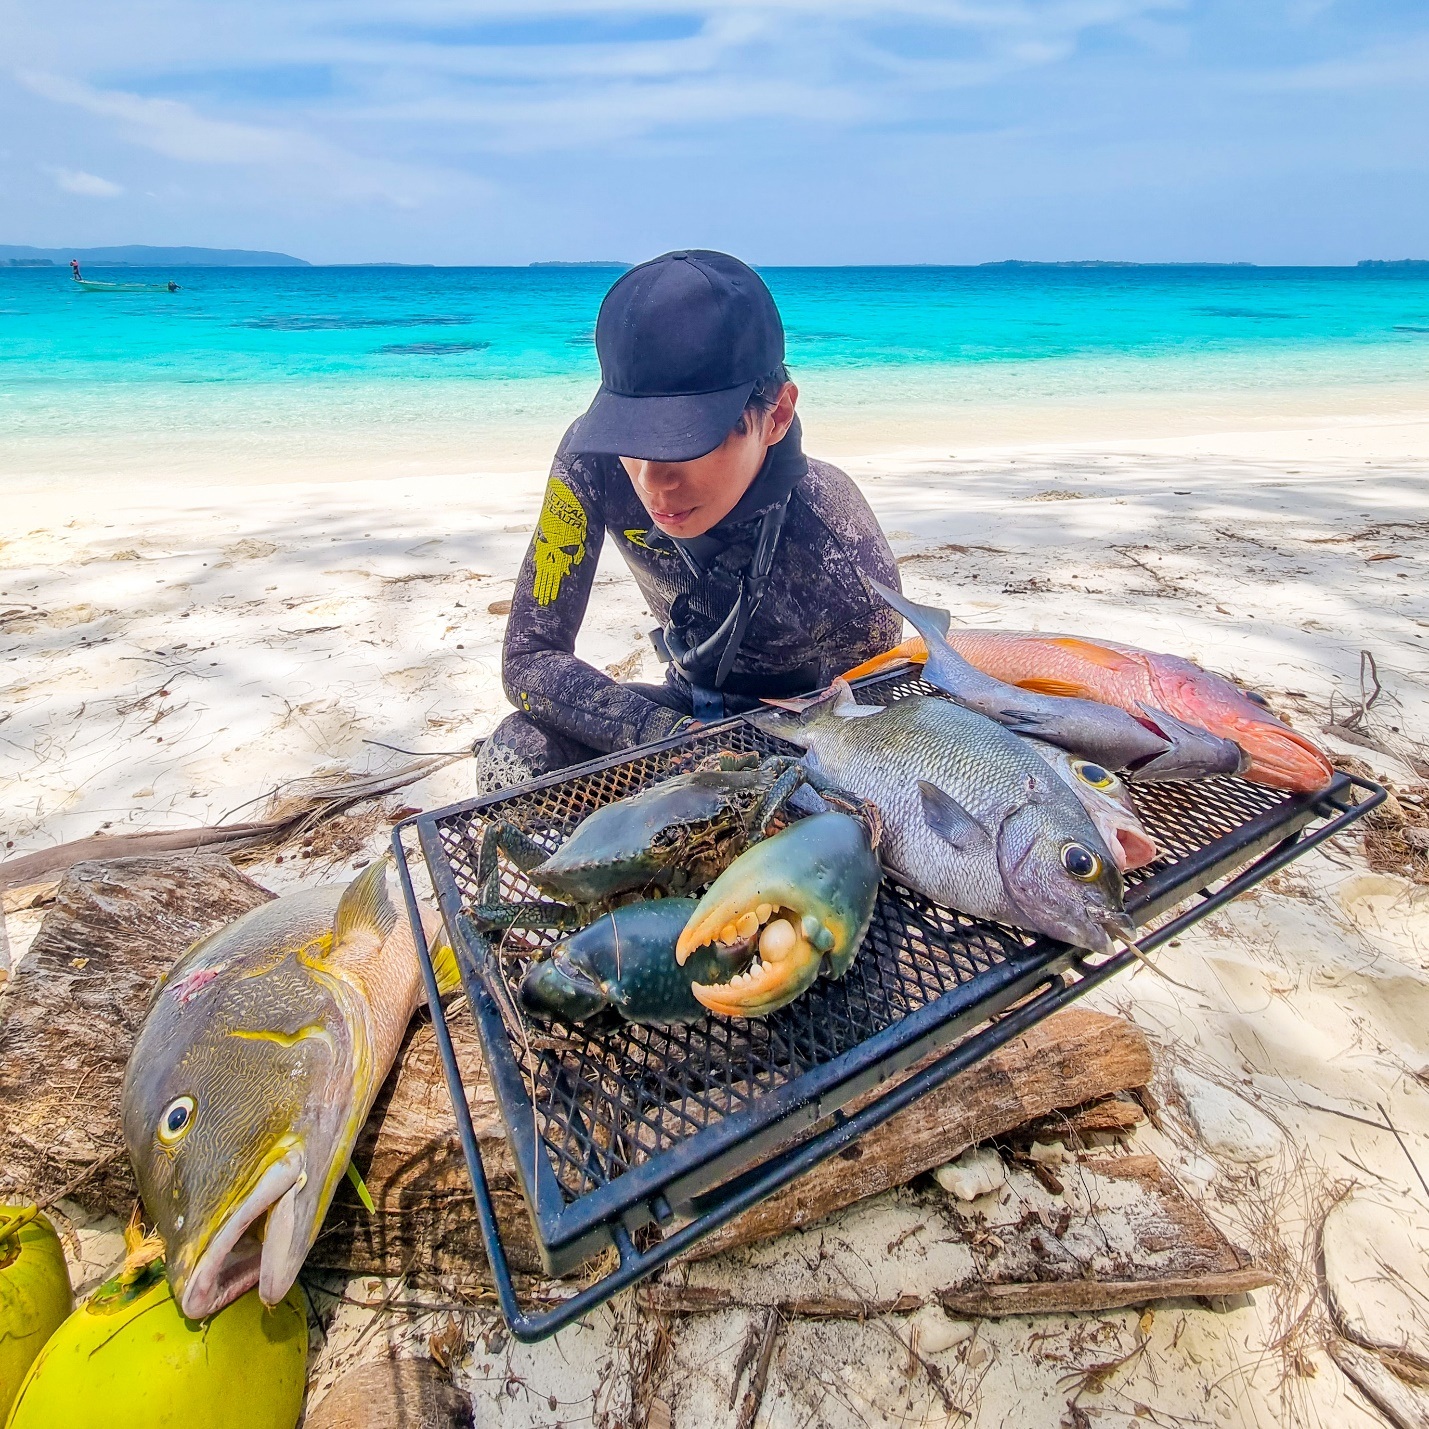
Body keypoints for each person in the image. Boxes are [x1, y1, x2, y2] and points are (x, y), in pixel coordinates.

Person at [473, 249, 901, 795]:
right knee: (515, 758)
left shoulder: (837, 547)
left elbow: (877, 733)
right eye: (632, 440)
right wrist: (681, 743)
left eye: (685, 444)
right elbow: (529, 658)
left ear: (777, 416)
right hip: (681, 713)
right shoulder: (593, 461)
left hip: (806, 739)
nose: (652, 483)